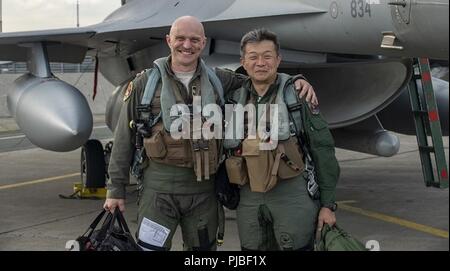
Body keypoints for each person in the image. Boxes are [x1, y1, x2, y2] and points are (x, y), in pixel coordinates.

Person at [103, 16, 317, 251]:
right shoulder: (145, 84)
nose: (187, 45)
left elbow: (260, 79)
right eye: (180, 39)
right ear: (168, 40)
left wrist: (294, 81)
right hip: (159, 192)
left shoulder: (220, 80)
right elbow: (123, 138)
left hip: (203, 192)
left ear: (203, 43)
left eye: (194, 40)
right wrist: (116, 190)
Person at [223, 28, 339, 251]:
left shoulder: (297, 97)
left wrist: (327, 205)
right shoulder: (233, 100)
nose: (260, 63)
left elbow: (323, 149)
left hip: (292, 197)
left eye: (267, 56)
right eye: (253, 57)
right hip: (249, 199)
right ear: (243, 62)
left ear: (278, 60)